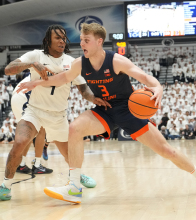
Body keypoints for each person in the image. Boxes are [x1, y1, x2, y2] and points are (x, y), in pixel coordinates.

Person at [17, 23, 196, 204]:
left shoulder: (117, 61)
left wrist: (157, 87)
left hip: (128, 110)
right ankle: (74, 187)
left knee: (167, 151)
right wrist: (36, 82)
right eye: (81, 40)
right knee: (75, 129)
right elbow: (62, 79)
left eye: (86, 40)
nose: (82, 44)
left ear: (99, 42)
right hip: (104, 110)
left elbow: (145, 77)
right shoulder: (80, 63)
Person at [0, 24, 112, 201]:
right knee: (20, 142)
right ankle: (5, 186)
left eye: (63, 38)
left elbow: (84, 89)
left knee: (70, 155)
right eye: (58, 38)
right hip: (34, 111)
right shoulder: (35, 55)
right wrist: (32, 64)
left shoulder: (72, 62)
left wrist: (93, 98)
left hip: (58, 115)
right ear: (48, 41)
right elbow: (8, 70)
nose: (62, 41)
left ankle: (77, 177)